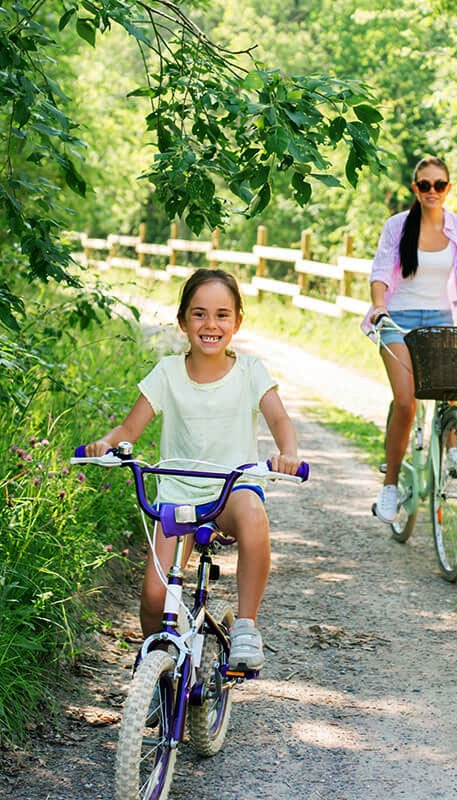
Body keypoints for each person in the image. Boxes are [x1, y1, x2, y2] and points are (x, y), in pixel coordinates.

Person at [84, 268, 302, 671]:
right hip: (178, 494)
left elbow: (280, 420)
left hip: (232, 489)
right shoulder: (167, 372)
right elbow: (130, 429)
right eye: (199, 314)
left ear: (238, 321)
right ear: (183, 321)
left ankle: (247, 625)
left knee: (254, 517)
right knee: (153, 596)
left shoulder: (250, 372)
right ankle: (156, 665)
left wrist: (287, 451)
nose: (211, 324)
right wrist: (107, 444)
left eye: (222, 314)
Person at [362, 156, 457, 523]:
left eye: (439, 184)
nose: (432, 191)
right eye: (425, 185)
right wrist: (378, 307)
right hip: (398, 319)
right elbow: (380, 272)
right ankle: (390, 486)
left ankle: (453, 450)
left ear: (448, 188)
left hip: (441, 317)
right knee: (405, 401)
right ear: (415, 188)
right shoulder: (397, 227)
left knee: (453, 383)